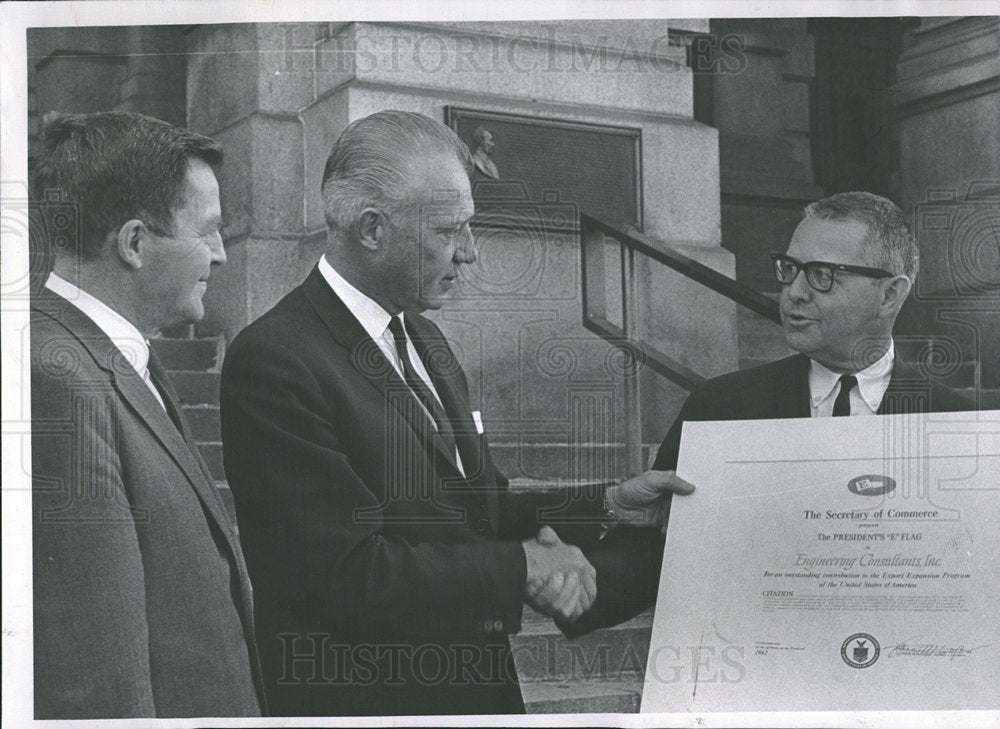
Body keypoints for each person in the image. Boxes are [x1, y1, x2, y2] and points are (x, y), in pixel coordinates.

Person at [219, 110, 692, 716]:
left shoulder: (426, 339)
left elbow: (479, 506)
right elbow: (341, 574)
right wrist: (523, 566)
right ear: (371, 229)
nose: (469, 253)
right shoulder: (276, 360)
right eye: (449, 231)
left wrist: (606, 502)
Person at [30, 111, 264, 718]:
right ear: (134, 243)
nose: (222, 257)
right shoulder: (54, 377)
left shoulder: (110, 356)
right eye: (209, 232)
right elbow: (95, 680)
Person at [653, 191, 972, 473]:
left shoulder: (958, 424)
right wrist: (609, 507)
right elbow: (649, 530)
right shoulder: (719, 406)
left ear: (889, 295)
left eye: (822, 274)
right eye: (790, 269)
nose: (794, 292)